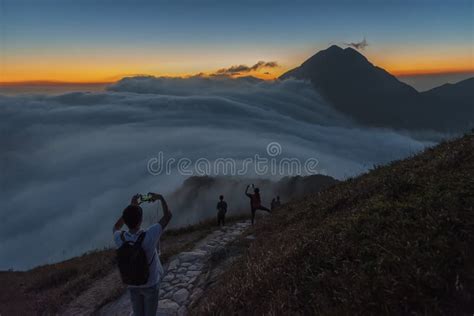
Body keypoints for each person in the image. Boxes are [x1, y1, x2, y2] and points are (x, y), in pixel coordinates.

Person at [113, 193, 172, 316]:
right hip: (150, 284)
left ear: (126, 220)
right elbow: (167, 216)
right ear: (141, 220)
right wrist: (160, 198)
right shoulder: (149, 235)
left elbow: (116, 227)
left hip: (132, 283)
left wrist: (131, 207)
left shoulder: (120, 238)